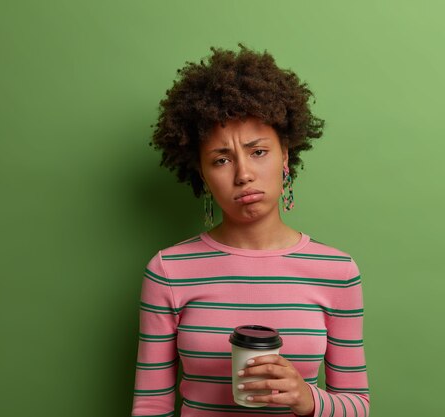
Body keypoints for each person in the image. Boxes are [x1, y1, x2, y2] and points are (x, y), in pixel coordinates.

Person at [131, 44, 370, 417]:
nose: (243, 174)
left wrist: (308, 399)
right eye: (222, 159)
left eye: (258, 151)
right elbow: (150, 405)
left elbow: (359, 406)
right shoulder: (168, 271)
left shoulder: (337, 272)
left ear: (285, 156)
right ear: (202, 174)